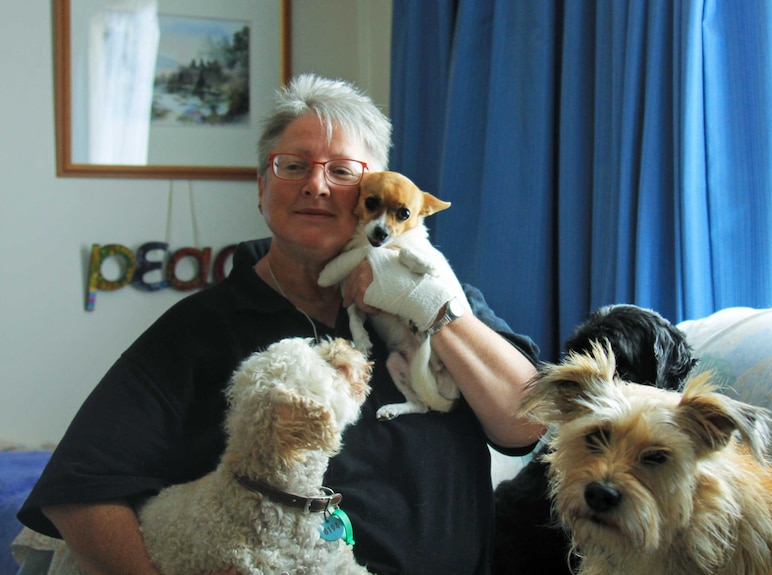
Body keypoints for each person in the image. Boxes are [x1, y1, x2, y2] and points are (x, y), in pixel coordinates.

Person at [18, 74, 543, 575]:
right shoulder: (200, 327)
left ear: (376, 192)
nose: (315, 185)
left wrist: (434, 310)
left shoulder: (440, 294)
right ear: (261, 186)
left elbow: (529, 422)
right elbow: (78, 491)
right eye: (292, 166)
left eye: (342, 172)